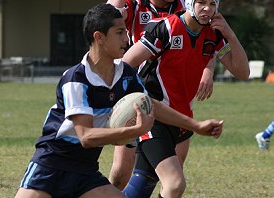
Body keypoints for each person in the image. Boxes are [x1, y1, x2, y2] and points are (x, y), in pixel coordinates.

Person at [14, 3, 223, 198]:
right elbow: (86, 137)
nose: (127, 38)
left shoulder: (125, 75)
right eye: (119, 32)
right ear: (99, 37)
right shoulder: (76, 78)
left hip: (86, 172)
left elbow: (152, 105)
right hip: (51, 167)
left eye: (125, 31)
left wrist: (196, 125)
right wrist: (134, 131)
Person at [120, 0, 250, 197]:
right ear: (189, 3)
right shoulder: (166, 28)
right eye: (201, 2)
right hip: (153, 116)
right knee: (174, 183)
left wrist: (230, 34)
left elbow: (242, 72)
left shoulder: (213, 34)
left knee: (142, 184)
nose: (207, 8)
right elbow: (126, 64)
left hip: (180, 119)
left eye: (212, 3)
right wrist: (136, 102)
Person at [107, 0, 217, 191]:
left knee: (170, 174)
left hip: (176, 100)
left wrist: (208, 69)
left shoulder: (188, 6)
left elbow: (207, 38)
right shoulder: (134, 5)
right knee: (121, 172)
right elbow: (107, 14)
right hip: (137, 97)